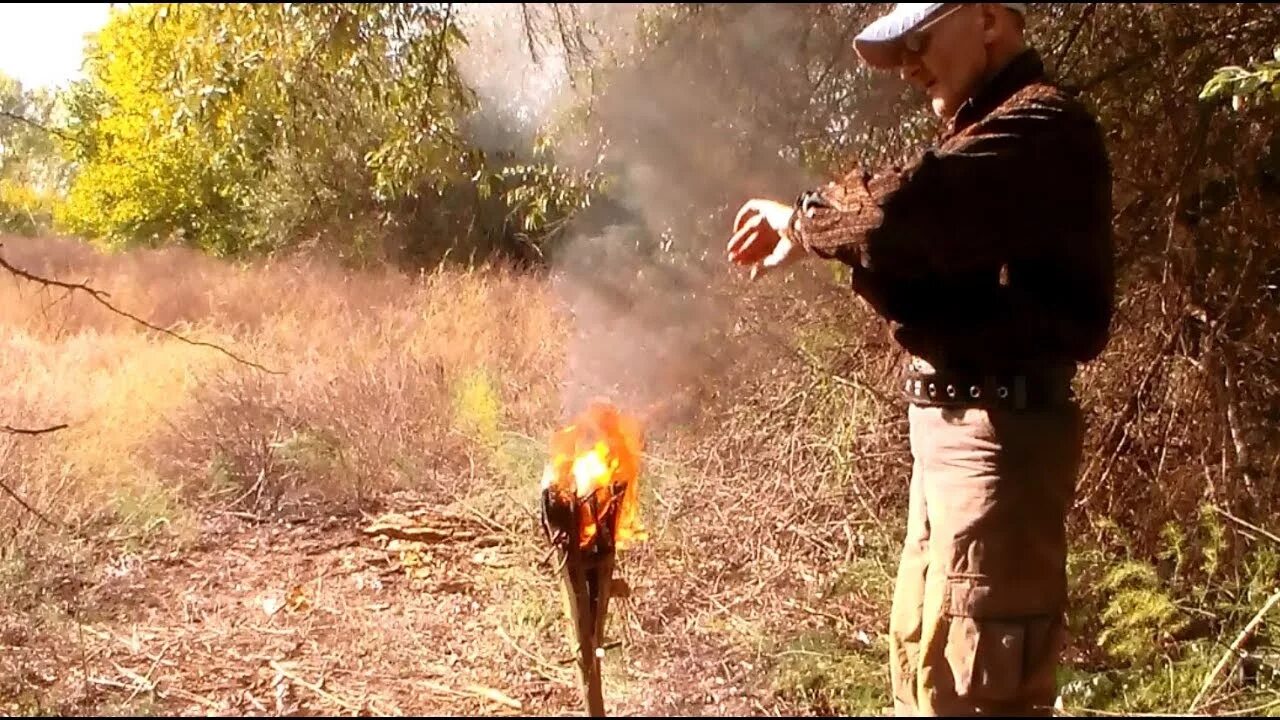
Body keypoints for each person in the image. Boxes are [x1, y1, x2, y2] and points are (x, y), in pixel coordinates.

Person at [726, 3, 1114, 716]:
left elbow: (894, 215)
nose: (908, 64)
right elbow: (906, 253)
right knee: (927, 673)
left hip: (997, 443)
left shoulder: (1042, 128)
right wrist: (818, 234)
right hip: (955, 436)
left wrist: (802, 219)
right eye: (900, 49)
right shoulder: (983, 141)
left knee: (976, 688)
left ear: (990, 20)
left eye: (921, 40)